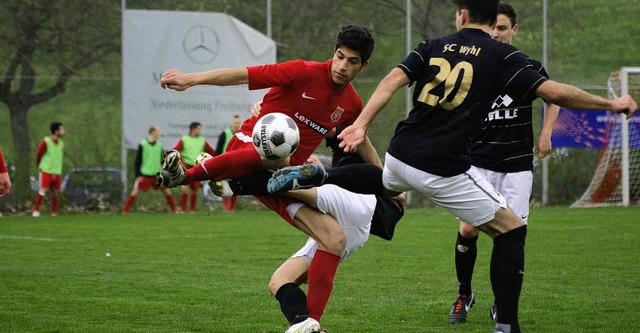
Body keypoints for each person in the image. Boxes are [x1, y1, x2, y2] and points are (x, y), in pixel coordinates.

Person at [268, 1, 637, 332]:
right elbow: (554, 93)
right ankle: (507, 325)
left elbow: (393, 80)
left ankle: (324, 174)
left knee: (387, 182)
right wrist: (611, 105)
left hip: (401, 151)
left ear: (461, 15)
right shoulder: (502, 56)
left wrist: (361, 123)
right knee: (511, 231)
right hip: (442, 166)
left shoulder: (432, 45)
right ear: (494, 22)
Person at [158, 25, 377, 332]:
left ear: (363, 65)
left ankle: (310, 325)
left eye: (352, 61)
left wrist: (386, 182)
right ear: (334, 52)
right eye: (339, 56)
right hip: (247, 146)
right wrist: (191, 79)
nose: (342, 66)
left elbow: (360, 136)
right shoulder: (301, 71)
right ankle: (187, 175)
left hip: (280, 180)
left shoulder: (351, 104)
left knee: (334, 238)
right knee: (280, 156)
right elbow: (242, 74)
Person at [448, 2, 561, 324]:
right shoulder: (473, 64)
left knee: (510, 235)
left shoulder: (525, 65)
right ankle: (464, 293)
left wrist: (545, 134)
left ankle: (503, 304)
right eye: (493, 27)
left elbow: (553, 97)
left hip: (516, 165)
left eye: (502, 27)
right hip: (477, 161)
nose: (496, 33)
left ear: (513, 30)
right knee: (468, 229)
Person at [122, 126, 177, 214]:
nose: (159, 133)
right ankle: (125, 211)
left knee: (167, 191)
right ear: (153, 132)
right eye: (158, 131)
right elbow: (137, 161)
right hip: (145, 174)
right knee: (135, 191)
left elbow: (161, 161)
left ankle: (174, 210)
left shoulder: (159, 146)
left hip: (157, 175)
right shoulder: (143, 144)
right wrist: (138, 175)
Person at [172, 121, 216, 213]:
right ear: (193, 129)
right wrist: (180, 161)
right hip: (186, 166)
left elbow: (211, 151)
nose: (200, 131)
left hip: (197, 167)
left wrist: (210, 160)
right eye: (199, 129)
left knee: (195, 189)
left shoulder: (202, 140)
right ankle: (183, 210)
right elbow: (175, 150)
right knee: (185, 188)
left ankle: (192, 211)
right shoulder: (184, 139)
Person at [33, 122, 65, 217]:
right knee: (43, 189)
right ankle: (36, 211)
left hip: (56, 171)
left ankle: (53, 213)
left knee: (55, 191)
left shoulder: (61, 144)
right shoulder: (46, 141)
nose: (63, 131)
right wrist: (40, 166)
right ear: (56, 131)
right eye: (62, 129)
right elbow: (39, 154)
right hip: (46, 170)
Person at [215, 115, 242, 212]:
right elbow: (218, 150)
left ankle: (232, 209)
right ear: (232, 123)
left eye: (238, 123)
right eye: (235, 123)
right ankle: (227, 208)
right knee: (226, 186)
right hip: (225, 165)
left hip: (237, 165)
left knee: (236, 186)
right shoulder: (225, 134)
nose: (237, 125)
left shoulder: (242, 134)